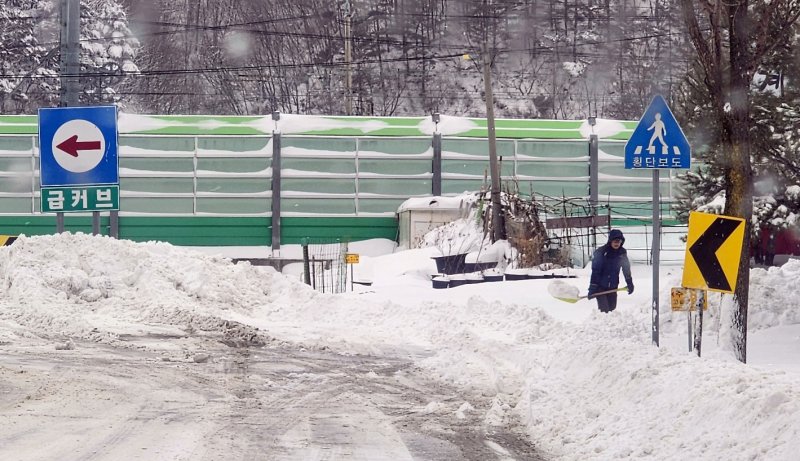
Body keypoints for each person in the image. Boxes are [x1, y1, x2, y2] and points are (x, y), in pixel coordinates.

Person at [588, 229, 634, 313]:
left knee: (612, 308)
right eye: (615, 241)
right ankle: (600, 325)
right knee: (604, 310)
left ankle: (609, 325)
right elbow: (595, 271)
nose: (617, 243)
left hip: (613, 286)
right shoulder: (601, 252)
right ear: (610, 241)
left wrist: (629, 283)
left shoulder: (622, 253)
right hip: (600, 287)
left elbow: (626, 269)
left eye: (619, 241)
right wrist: (592, 287)